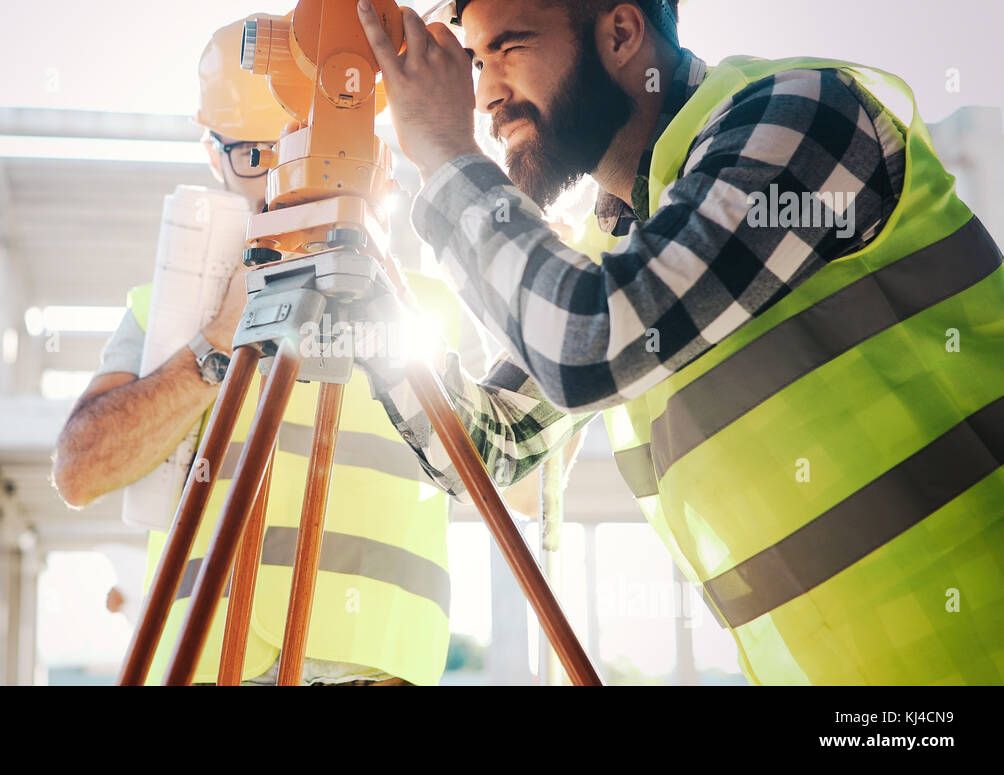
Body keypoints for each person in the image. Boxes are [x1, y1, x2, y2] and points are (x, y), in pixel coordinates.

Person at [354, 0, 1004, 684]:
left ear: (621, 32)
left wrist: (446, 156)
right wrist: (357, 269)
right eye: (475, 61)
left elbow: (592, 342)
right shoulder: (621, 244)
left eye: (507, 48)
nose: (484, 94)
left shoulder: (806, 116)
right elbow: (489, 448)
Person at [52, 17, 505, 686]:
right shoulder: (170, 307)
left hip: (378, 670)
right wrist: (213, 345)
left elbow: (517, 485)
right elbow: (78, 471)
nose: (277, 177)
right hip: (208, 664)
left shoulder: (428, 307)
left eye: (300, 143)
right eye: (252, 155)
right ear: (214, 154)